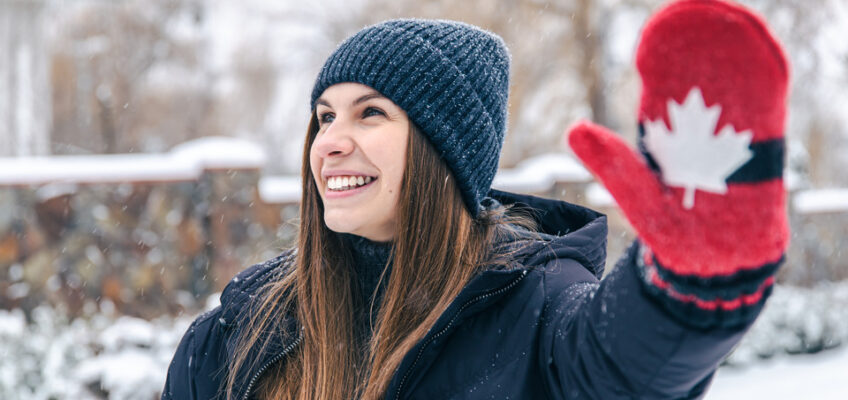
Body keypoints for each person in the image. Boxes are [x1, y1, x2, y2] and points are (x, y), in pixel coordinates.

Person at [162, 0, 789, 398]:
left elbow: (625, 367)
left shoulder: (538, 312)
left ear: (444, 152)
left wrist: (689, 286)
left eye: (370, 113)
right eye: (324, 117)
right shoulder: (243, 330)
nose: (329, 143)